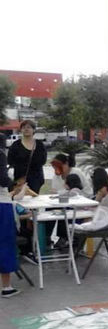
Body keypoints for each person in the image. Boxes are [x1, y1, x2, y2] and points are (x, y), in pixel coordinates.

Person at [0, 134, 20, 298]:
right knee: (5, 243)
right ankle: (6, 287)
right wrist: (14, 183)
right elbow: (2, 180)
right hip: (2, 204)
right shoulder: (0, 155)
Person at [8, 119, 47, 194]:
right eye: (23, 127)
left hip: (36, 179)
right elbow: (10, 160)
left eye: (29, 127)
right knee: (20, 198)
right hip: (20, 179)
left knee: (33, 199)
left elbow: (43, 161)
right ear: (21, 130)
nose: (26, 129)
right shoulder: (16, 145)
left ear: (33, 130)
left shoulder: (39, 145)